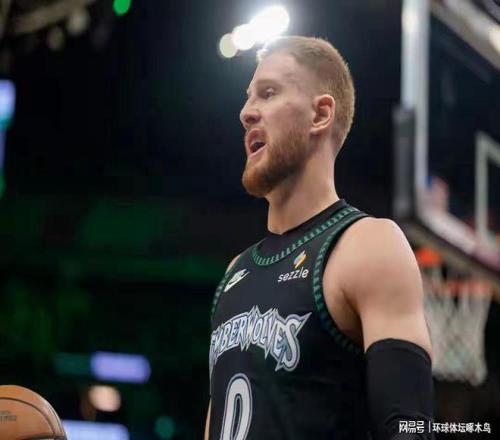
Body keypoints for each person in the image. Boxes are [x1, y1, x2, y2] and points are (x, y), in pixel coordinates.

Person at [205, 36, 433, 440]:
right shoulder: (235, 273)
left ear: (320, 115)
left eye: (268, 93)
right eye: (248, 97)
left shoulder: (366, 244)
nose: (246, 113)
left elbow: (409, 428)